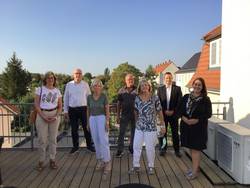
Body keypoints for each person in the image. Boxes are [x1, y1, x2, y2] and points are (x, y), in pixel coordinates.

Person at [129, 79, 165, 175]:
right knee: (136, 146)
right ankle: (136, 166)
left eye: (146, 85)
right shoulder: (137, 98)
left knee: (150, 147)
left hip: (151, 127)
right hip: (140, 126)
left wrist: (162, 124)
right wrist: (137, 122)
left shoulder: (154, 97)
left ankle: (151, 166)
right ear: (139, 87)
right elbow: (135, 111)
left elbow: (159, 111)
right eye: (142, 85)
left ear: (149, 87)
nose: (144, 87)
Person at [179, 77, 212, 180]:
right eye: (195, 84)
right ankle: (195, 168)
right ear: (192, 85)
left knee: (196, 150)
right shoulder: (186, 97)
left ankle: (194, 172)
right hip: (186, 127)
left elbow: (208, 114)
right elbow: (179, 109)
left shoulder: (205, 99)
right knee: (191, 148)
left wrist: (196, 120)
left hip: (198, 128)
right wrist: (184, 118)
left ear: (202, 87)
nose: (197, 86)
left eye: (199, 85)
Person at [34, 71, 62, 171]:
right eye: (49, 78)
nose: (51, 79)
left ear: (54, 79)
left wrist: (56, 116)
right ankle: (41, 161)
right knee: (42, 140)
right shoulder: (40, 89)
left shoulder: (57, 91)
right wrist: (43, 116)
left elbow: (60, 106)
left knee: (53, 139)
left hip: (54, 115)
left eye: (52, 78)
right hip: (42, 115)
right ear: (45, 79)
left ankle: (52, 160)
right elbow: (36, 104)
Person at [64, 68, 95, 154]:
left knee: (87, 128)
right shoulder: (68, 85)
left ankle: (89, 146)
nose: (78, 75)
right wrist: (65, 111)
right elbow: (66, 98)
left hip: (84, 109)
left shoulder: (85, 84)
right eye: (76, 73)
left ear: (82, 75)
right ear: (73, 75)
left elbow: (89, 97)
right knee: (74, 129)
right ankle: (75, 147)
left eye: (80, 73)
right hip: (72, 110)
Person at [87, 79, 111, 174]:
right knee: (96, 140)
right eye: (95, 85)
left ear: (101, 87)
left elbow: (107, 110)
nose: (97, 87)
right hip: (92, 119)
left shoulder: (104, 96)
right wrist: (88, 122)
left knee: (104, 140)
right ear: (92, 87)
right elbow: (88, 110)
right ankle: (100, 160)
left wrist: (107, 121)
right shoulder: (89, 97)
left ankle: (107, 162)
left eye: (98, 85)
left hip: (102, 118)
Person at [157, 72, 182, 157]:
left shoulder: (177, 89)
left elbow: (179, 102)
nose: (168, 80)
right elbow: (158, 103)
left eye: (170, 78)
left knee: (175, 133)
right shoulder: (160, 89)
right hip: (163, 115)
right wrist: (164, 111)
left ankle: (177, 150)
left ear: (172, 79)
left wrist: (173, 111)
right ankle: (163, 149)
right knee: (163, 133)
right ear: (164, 79)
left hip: (174, 115)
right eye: (167, 78)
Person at [116, 73, 137, 157]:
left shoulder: (138, 90)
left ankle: (131, 148)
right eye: (128, 79)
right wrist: (117, 115)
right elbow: (118, 104)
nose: (130, 81)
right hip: (124, 114)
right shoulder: (121, 90)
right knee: (121, 133)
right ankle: (120, 150)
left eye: (131, 79)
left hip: (135, 115)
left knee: (134, 133)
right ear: (125, 81)